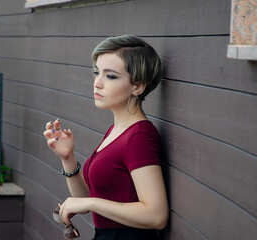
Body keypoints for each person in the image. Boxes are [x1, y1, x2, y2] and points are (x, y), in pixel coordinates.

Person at [43, 35, 169, 240]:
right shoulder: (116, 130)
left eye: (110, 76)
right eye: (96, 73)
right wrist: (68, 159)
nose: (97, 83)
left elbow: (156, 215)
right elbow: (85, 200)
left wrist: (92, 203)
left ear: (138, 86)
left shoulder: (139, 136)